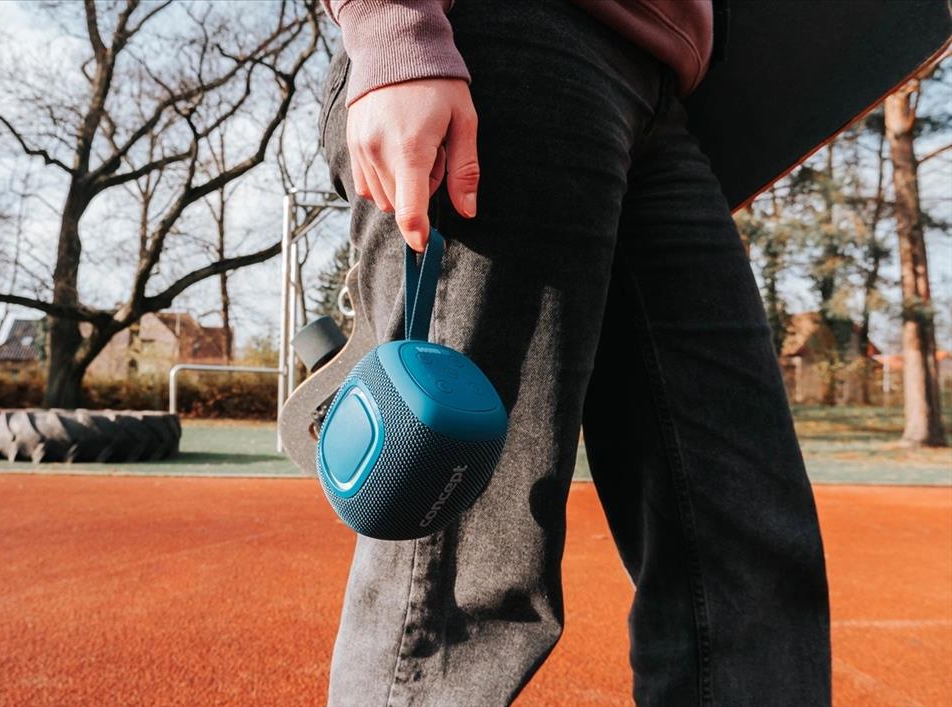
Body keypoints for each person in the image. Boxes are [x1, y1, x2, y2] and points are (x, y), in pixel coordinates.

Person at [315, 0, 832, 704]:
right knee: (456, 578)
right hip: (508, 42)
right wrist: (394, 28)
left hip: (662, 97)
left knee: (743, 550)